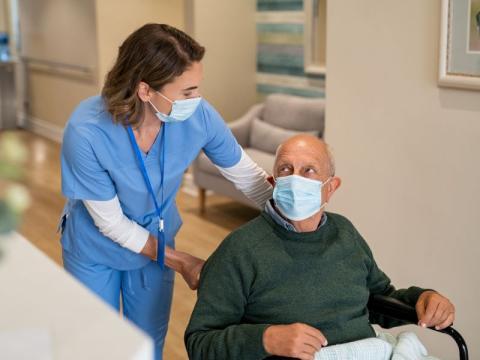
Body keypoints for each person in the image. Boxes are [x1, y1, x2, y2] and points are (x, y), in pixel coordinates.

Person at [59, 24, 272, 359]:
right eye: (187, 91)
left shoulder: (197, 115)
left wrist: (291, 214)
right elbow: (111, 224)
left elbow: (247, 176)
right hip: (95, 246)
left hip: (155, 238)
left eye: (197, 89)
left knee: (146, 344)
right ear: (145, 90)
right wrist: (180, 260)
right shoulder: (86, 132)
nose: (196, 100)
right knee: (94, 345)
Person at [185, 135, 455, 360]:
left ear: (331, 188)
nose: (295, 179)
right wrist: (265, 339)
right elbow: (200, 342)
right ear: (273, 183)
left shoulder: (345, 233)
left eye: (308, 171)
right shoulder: (240, 249)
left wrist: (423, 299)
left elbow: (378, 299)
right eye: (286, 170)